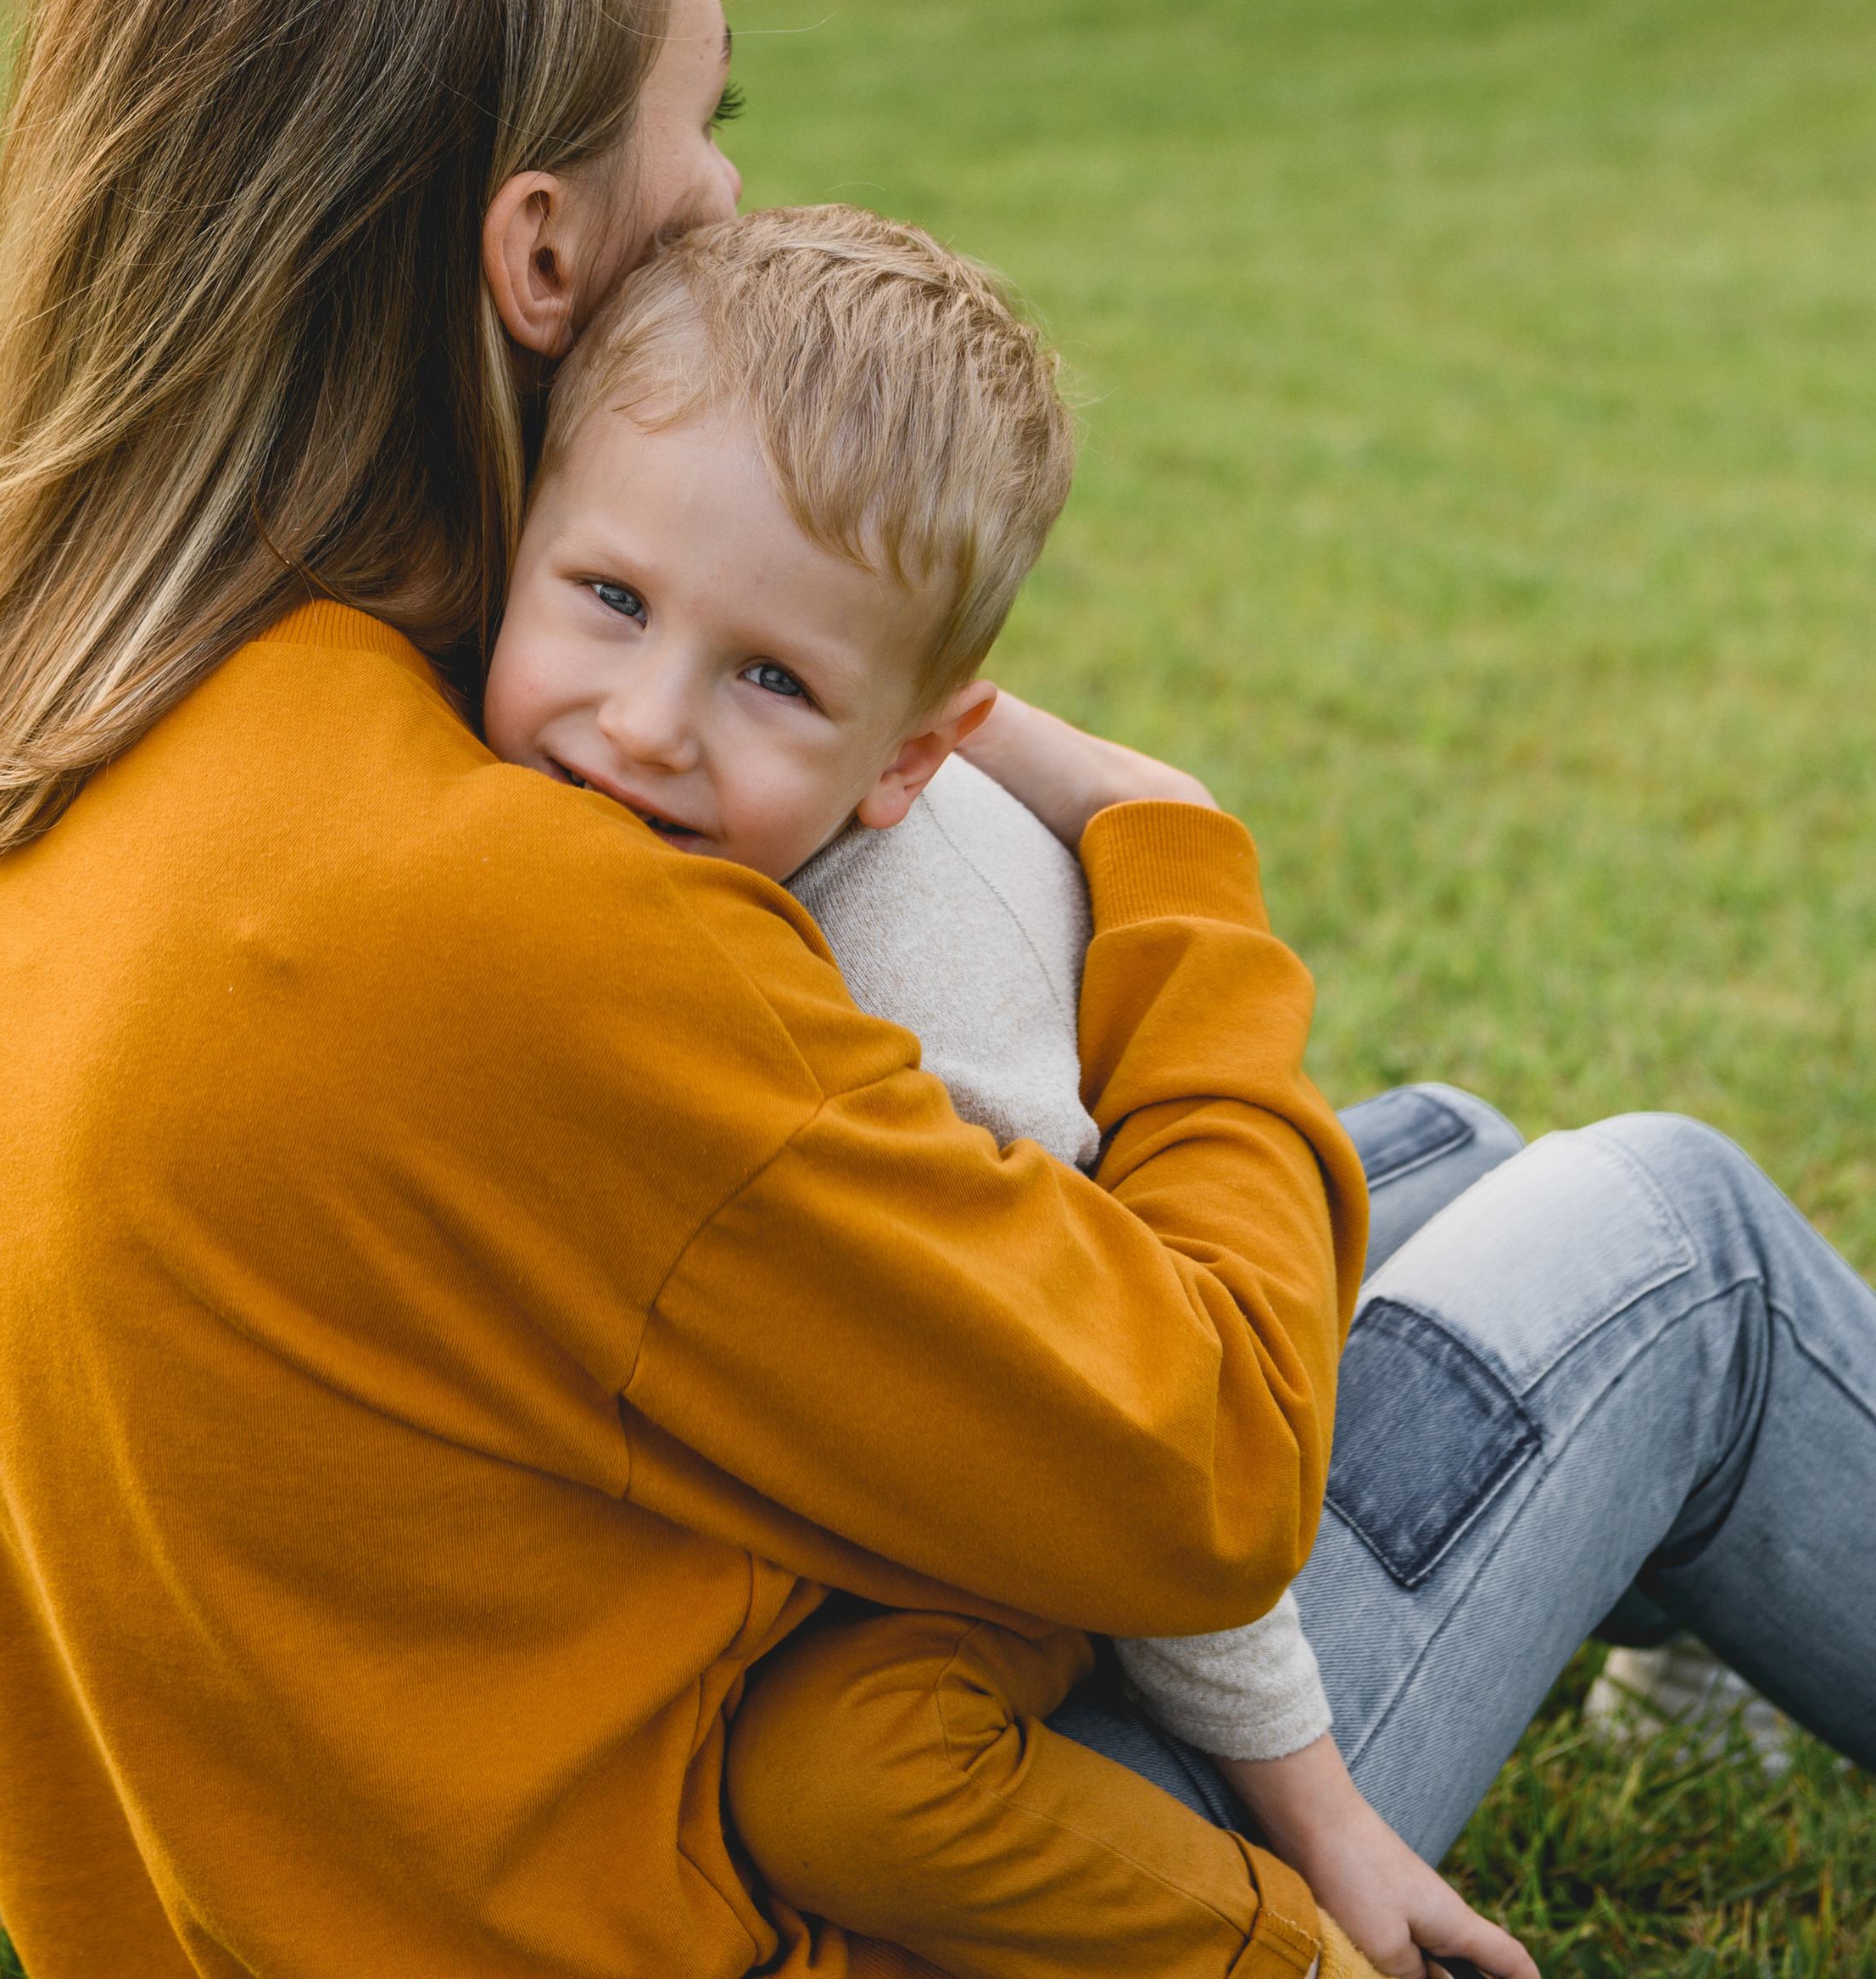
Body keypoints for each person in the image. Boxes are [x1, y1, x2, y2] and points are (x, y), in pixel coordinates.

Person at [0, 0, 1876, 1979]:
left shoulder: (8, 750)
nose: (723, 204)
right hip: (838, 1891)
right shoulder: (499, 916)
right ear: (538, 252)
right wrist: (1172, 853)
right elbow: (1206, 1473)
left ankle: (1651, 1581)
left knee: (1441, 1158)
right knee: (1670, 1251)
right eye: (708, 127)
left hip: (391, 1825)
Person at [479, 198, 1530, 1979]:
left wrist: (1321, 1811)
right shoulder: (571, 782)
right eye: (611, 600)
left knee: (839, 1773)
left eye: (769, 677)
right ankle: (1479, 1188)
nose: (644, 721)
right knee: (1440, 1166)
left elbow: (1144, 1454)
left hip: (1049, 1437)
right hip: (937, 1357)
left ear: (903, 761)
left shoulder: (927, 1015)